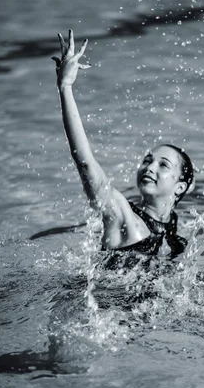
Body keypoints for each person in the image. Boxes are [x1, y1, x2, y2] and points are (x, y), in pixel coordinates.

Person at [52, 30, 194, 271]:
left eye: (163, 165)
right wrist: (65, 88)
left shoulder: (172, 230)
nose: (149, 167)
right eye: (148, 160)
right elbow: (85, 162)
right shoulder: (124, 218)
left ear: (180, 187)